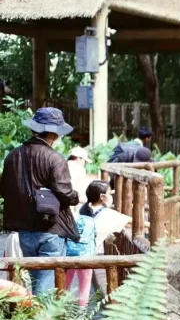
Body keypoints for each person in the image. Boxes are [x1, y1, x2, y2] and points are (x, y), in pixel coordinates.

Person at [0, 107, 80, 295]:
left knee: (36, 280)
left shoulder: (13, 156)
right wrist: (75, 197)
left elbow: (4, 189)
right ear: (53, 133)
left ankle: (34, 311)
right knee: (45, 287)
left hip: (25, 230)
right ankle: (41, 314)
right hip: (50, 228)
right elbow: (64, 193)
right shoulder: (55, 158)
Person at [65, 181, 105, 307]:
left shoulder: (81, 210)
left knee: (64, 284)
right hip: (86, 254)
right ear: (102, 197)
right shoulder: (106, 213)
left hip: (70, 251)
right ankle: (82, 314)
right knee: (84, 286)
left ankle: (58, 312)